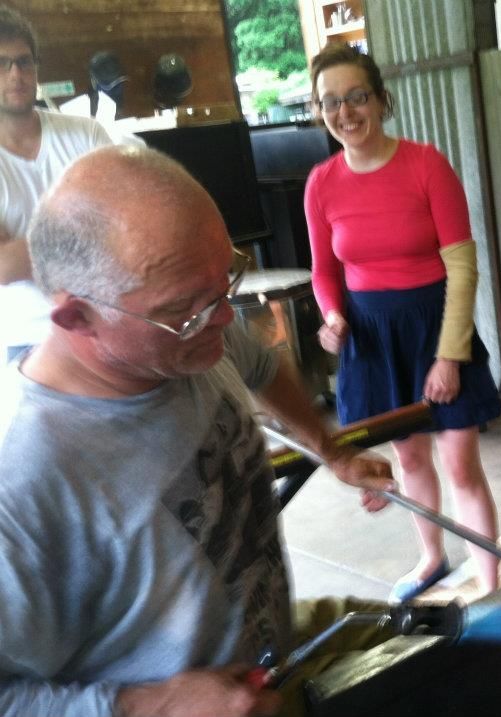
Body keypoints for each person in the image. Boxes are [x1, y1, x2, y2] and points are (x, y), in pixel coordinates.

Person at [0, 144, 396, 717]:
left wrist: (330, 450)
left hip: (272, 650)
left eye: (226, 281)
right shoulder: (21, 482)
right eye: (187, 309)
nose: (225, 317)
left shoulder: (195, 331)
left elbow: (260, 365)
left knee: (452, 638)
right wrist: (150, 704)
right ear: (77, 317)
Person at [305, 43, 501, 603]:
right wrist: (332, 316)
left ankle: (491, 586)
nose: (345, 112)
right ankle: (432, 559)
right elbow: (325, 271)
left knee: (460, 465)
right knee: (409, 458)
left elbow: (462, 266)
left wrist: (450, 354)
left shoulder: (425, 165)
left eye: (356, 97)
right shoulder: (321, 183)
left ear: (380, 100)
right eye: (330, 102)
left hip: (435, 325)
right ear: (320, 111)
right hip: (371, 334)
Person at [0, 4, 112, 361]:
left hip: (107, 324)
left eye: (24, 61)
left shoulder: (87, 134)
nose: (15, 73)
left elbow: (121, 230)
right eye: (2, 63)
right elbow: (4, 267)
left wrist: (25, 249)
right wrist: (85, 235)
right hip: (28, 339)